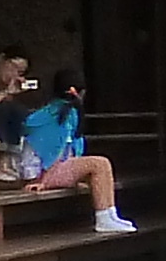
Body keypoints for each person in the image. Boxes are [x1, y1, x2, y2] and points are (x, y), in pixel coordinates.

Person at [8, 72, 132, 232]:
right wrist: (44, 181)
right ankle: (103, 217)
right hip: (41, 173)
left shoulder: (53, 111)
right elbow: (56, 151)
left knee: (100, 168)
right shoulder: (64, 114)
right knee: (100, 163)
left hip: (40, 170)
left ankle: (111, 213)